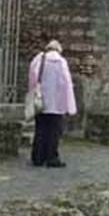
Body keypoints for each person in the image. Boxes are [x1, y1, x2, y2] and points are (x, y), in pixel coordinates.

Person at [27, 39, 77, 168]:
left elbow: (32, 77)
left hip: (41, 101)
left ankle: (37, 157)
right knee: (54, 132)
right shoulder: (61, 62)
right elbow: (66, 83)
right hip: (56, 103)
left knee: (40, 129)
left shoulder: (39, 59)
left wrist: (33, 92)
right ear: (58, 50)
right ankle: (51, 158)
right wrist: (69, 104)